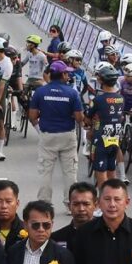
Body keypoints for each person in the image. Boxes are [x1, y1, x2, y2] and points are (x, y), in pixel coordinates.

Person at [29, 60, 85, 201]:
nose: (68, 76)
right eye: (67, 73)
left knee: (45, 172)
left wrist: (41, 127)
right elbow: (80, 118)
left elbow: (32, 116)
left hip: (47, 135)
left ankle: (44, 203)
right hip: (67, 135)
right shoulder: (72, 93)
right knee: (70, 172)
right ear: (63, 75)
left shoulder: (40, 92)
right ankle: (71, 203)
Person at [89, 66, 128, 187]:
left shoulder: (98, 99)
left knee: (101, 172)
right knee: (111, 169)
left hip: (101, 137)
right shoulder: (121, 98)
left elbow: (87, 117)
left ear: (101, 80)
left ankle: (103, 196)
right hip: (115, 136)